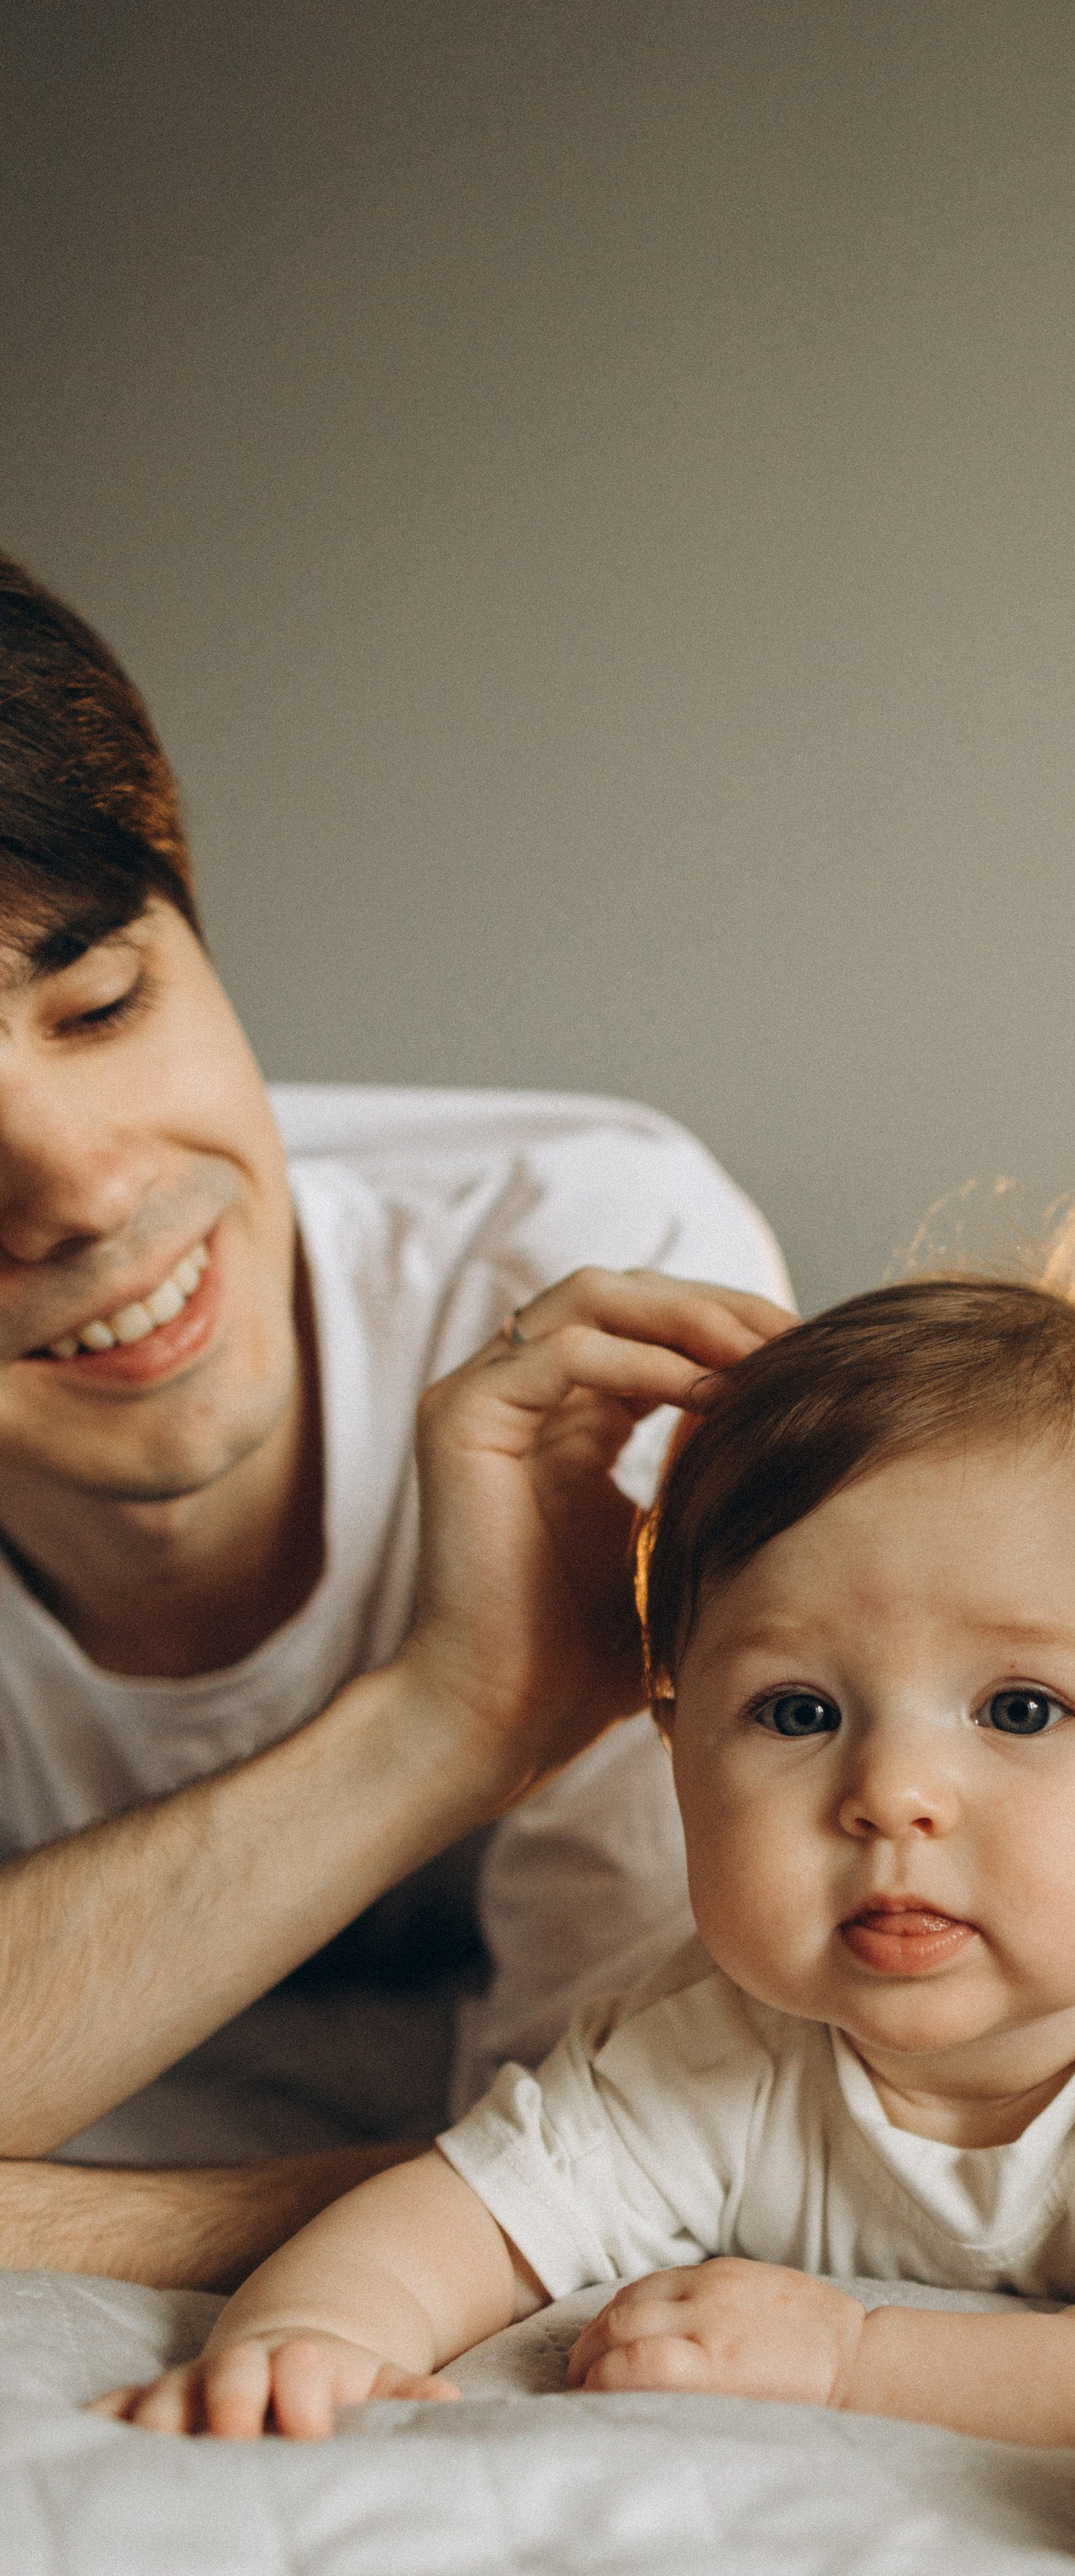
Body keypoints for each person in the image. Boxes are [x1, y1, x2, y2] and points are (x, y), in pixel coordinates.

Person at [98, 1256, 1075, 2454]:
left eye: (1020, 1708)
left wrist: (856, 2358)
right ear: (674, 1753)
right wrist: (310, 2338)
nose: (893, 1794)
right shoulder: (710, 2042)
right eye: (798, 1710)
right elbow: (454, 2219)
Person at [0, 547, 793, 2286]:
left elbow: (681, 2131)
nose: (83, 1187)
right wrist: (450, 1721)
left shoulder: (585, 1277)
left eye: (108, 1003)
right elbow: (580, 2182)